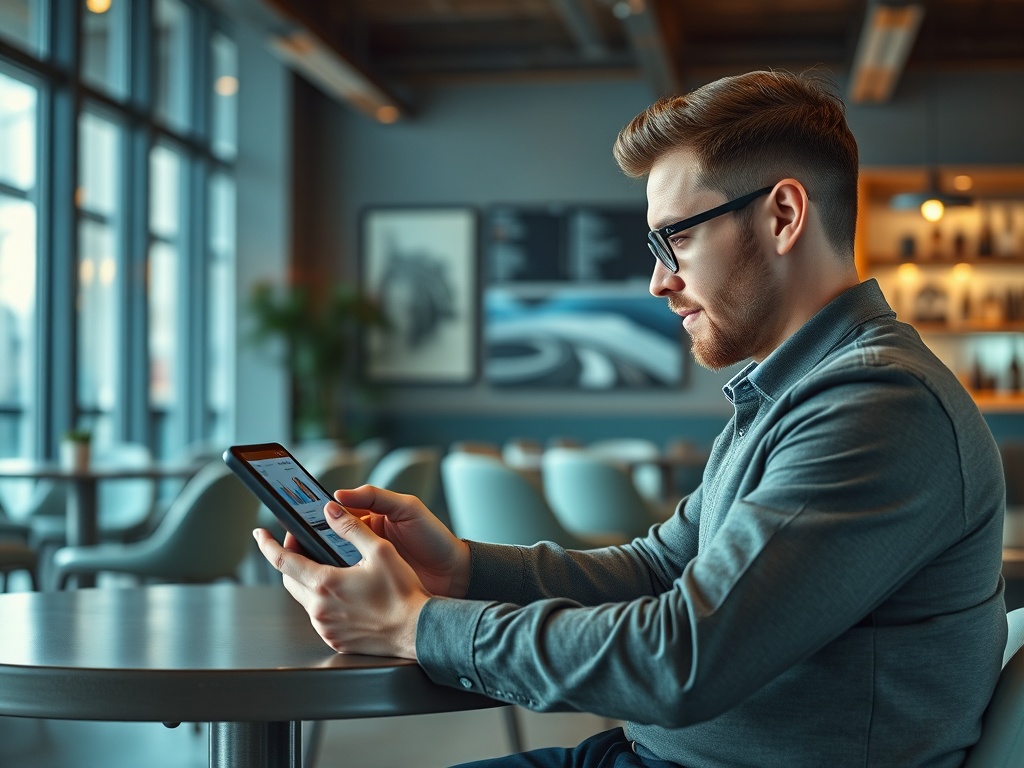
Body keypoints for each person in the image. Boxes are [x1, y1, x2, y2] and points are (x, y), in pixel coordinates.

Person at [254, 70, 1007, 768]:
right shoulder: (796, 391)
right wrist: (463, 570)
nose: (658, 280)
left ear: (782, 214)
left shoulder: (878, 404)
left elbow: (682, 660)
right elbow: (658, 568)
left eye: (675, 237)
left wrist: (415, 627)